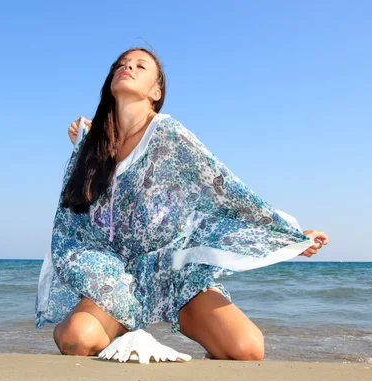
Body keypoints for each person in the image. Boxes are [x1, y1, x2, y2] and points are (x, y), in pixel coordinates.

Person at [35, 47, 329, 361]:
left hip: (173, 267)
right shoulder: (93, 146)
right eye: (121, 64)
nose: (127, 68)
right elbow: (74, 213)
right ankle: (118, 319)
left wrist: (289, 237)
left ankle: (169, 316)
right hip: (114, 273)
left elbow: (226, 191)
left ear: (155, 91)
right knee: (75, 341)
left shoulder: (169, 135)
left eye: (140, 66)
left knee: (247, 349)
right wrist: (87, 140)